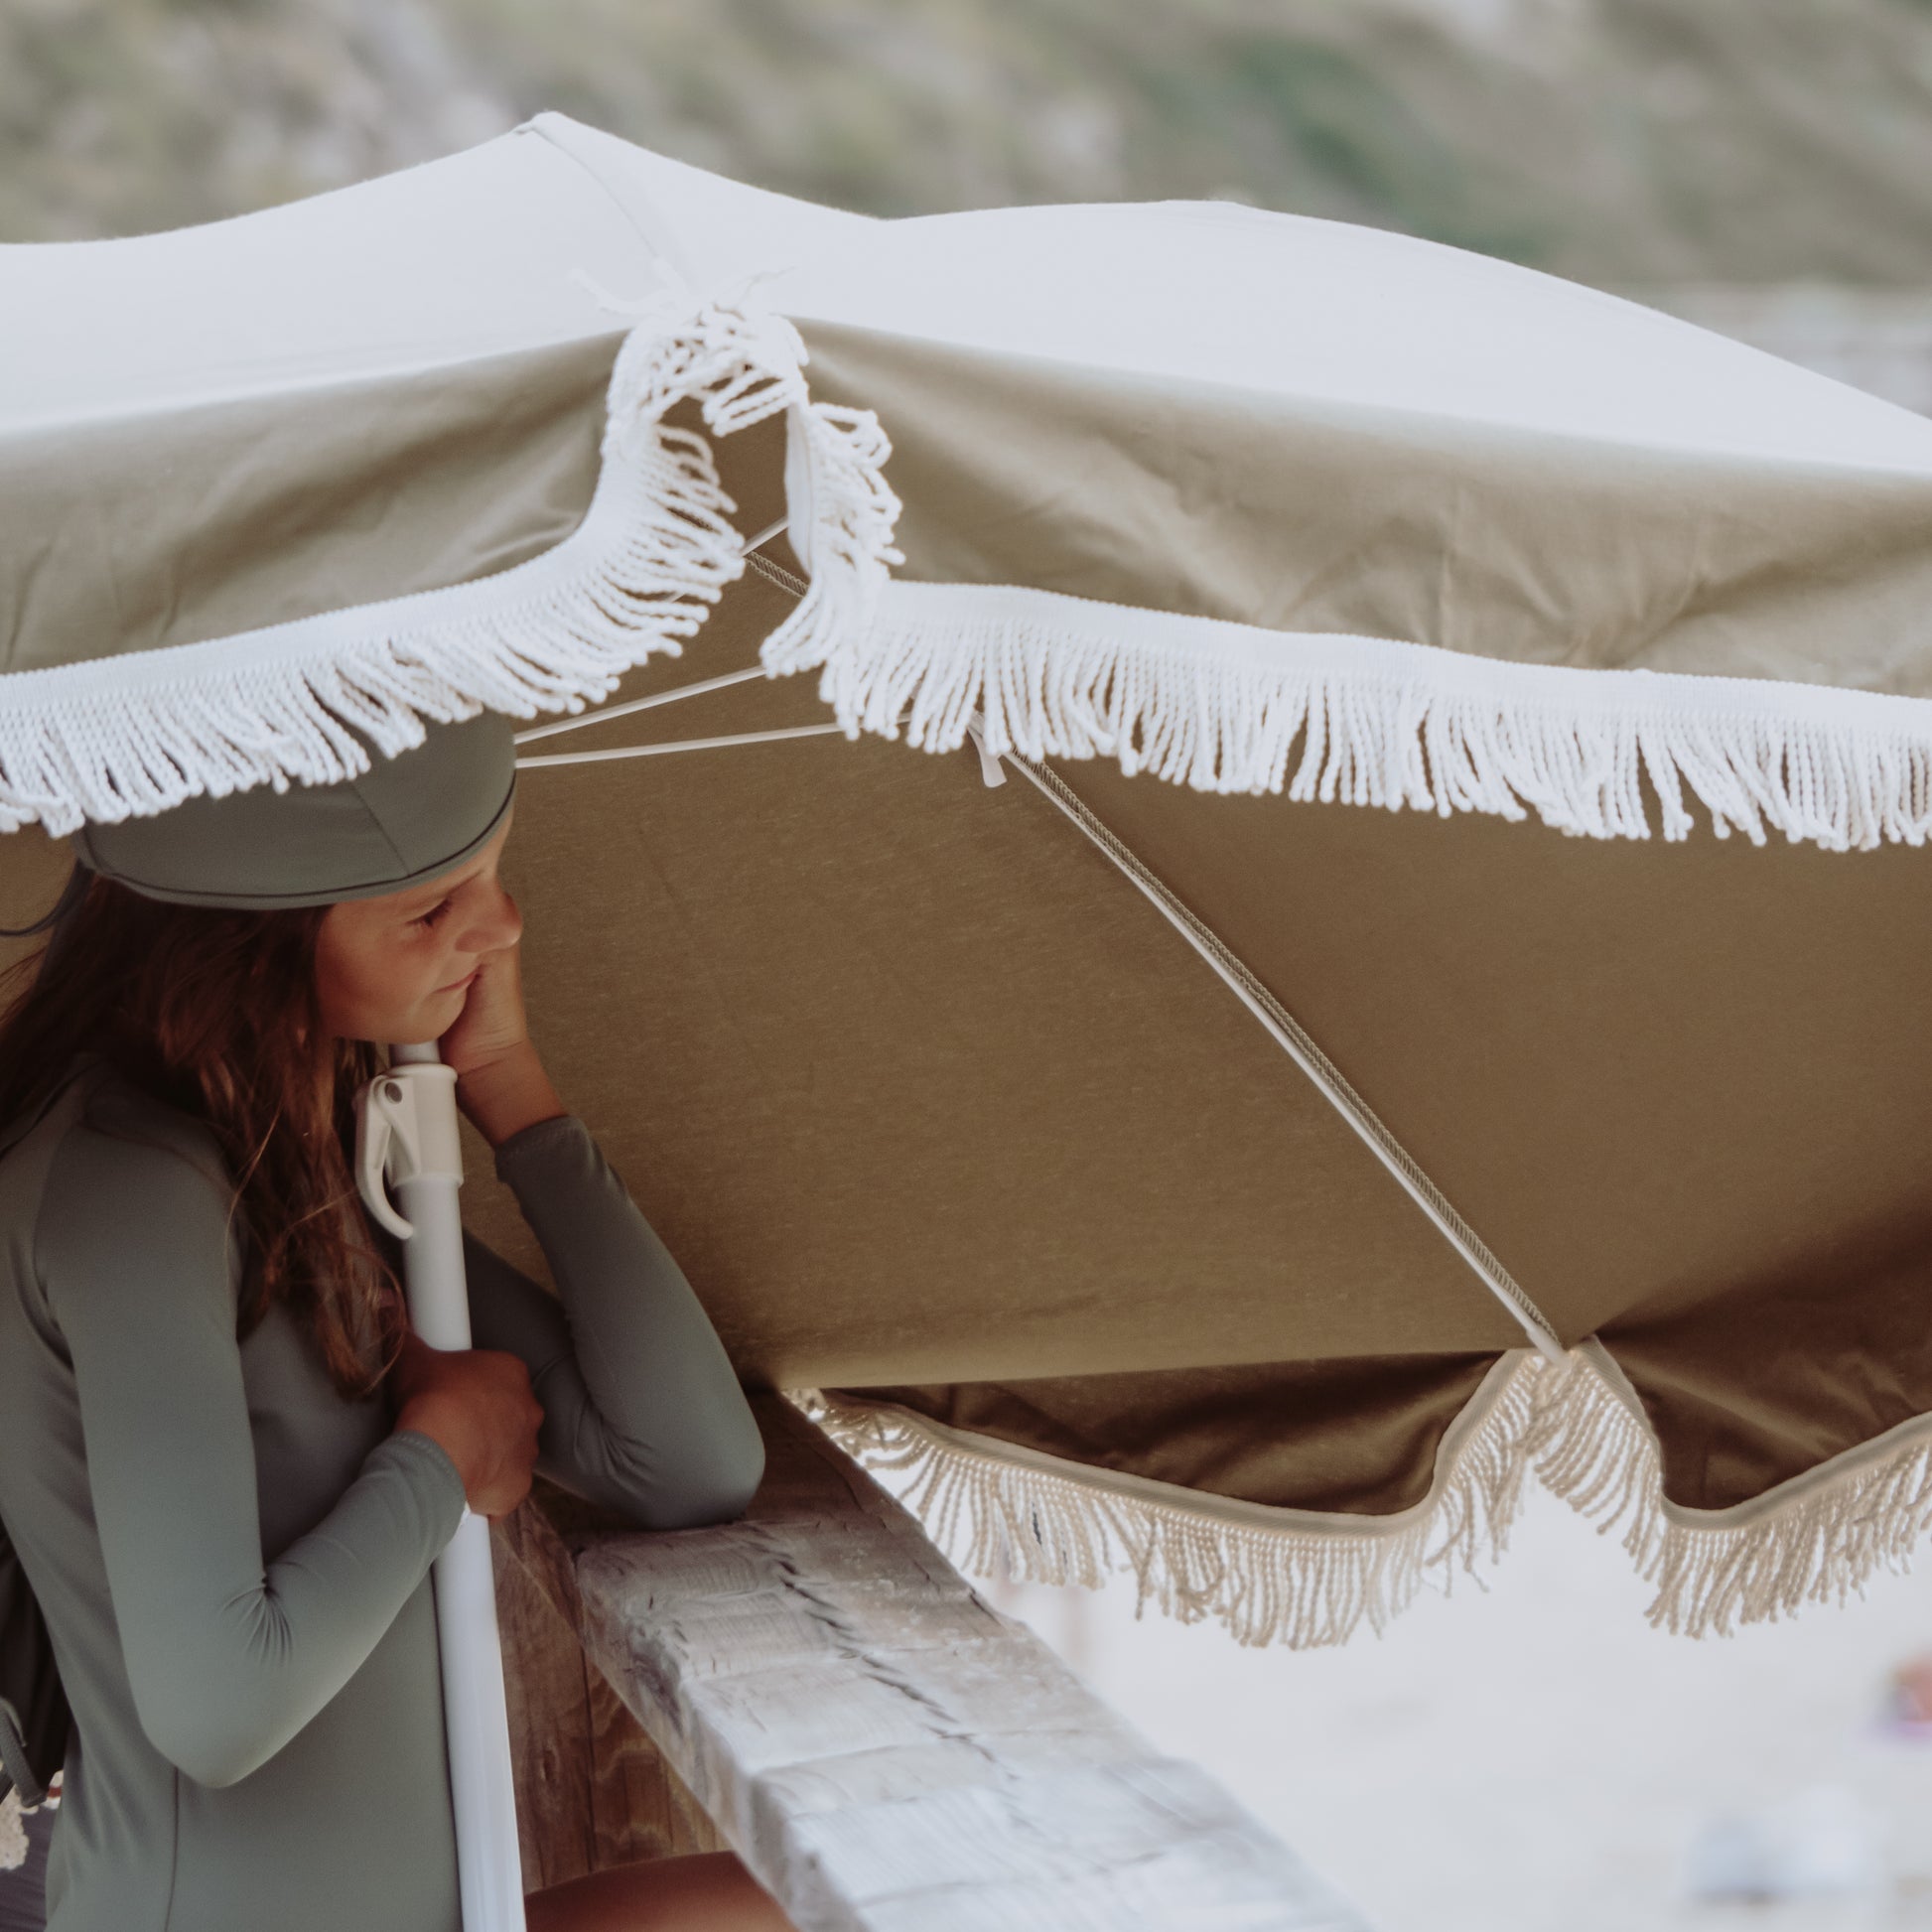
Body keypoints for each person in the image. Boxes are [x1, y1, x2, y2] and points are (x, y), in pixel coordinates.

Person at [0, 714, 791, 1932]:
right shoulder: (129, 1187)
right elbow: (216, 1706)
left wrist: (513, 1084)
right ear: (245, 947)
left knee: (856, 1897)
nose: (500, 929)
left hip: (433, 1908)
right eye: (427, 913)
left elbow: (686, 1458)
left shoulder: (287, 1163)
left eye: (490, 870)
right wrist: (436, 1461)